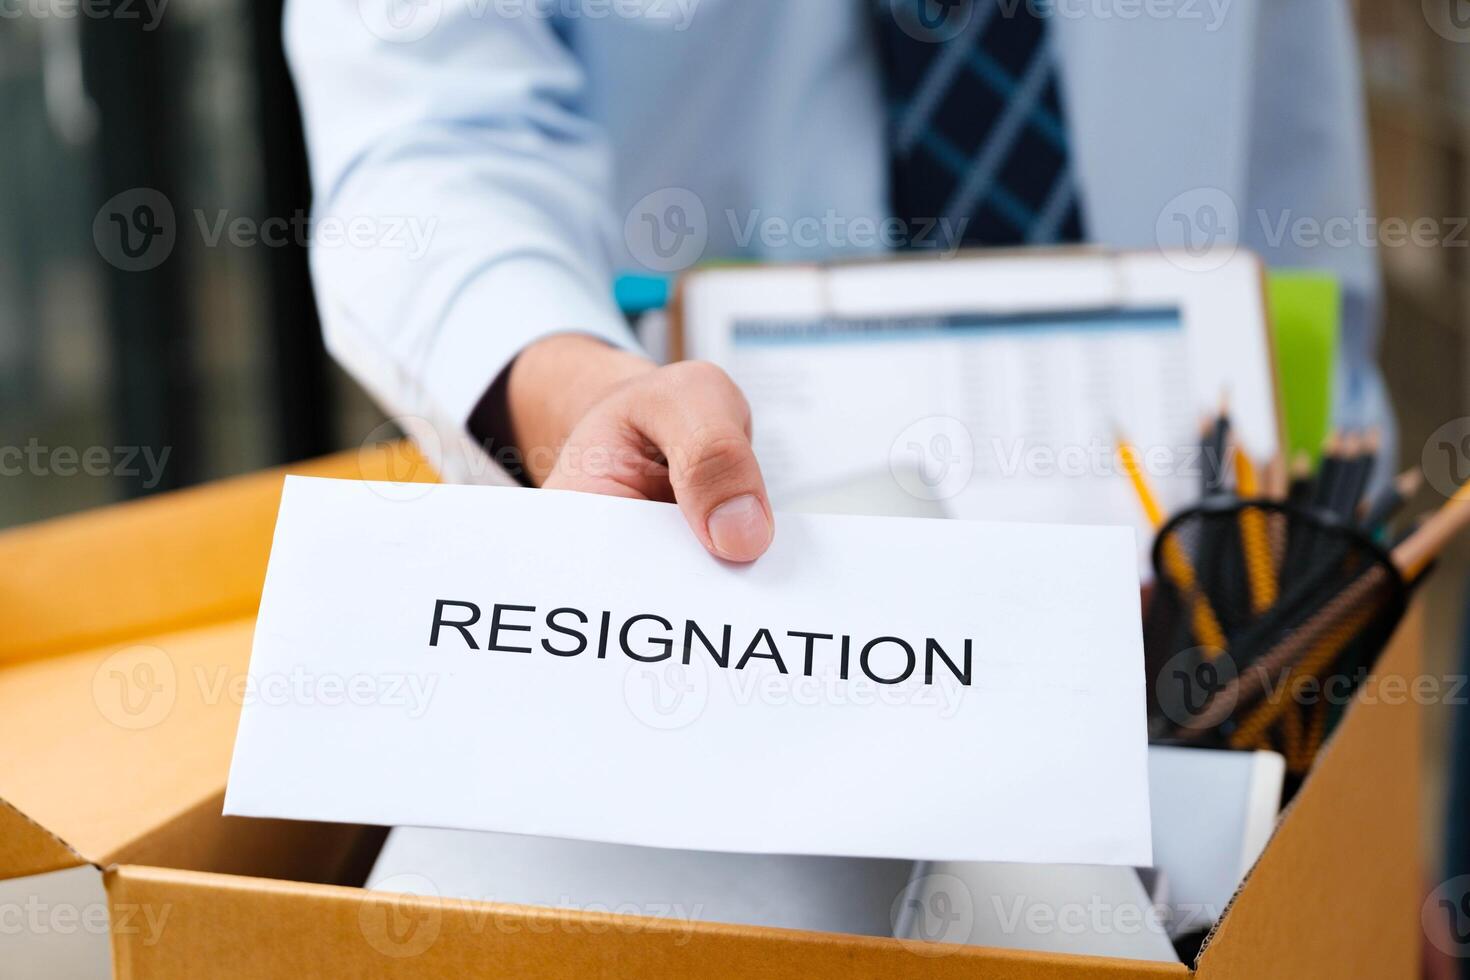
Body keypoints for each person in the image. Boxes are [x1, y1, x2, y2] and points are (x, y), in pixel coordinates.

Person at [285, 0, 1386, 565]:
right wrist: (578, 392)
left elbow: (1290, 144)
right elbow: (428, 139)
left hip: (1210, 586)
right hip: (730, 570)